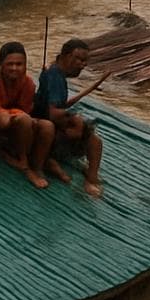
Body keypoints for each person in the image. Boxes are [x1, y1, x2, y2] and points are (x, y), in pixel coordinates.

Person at [33, 38, 112, 198]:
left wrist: (86, 92)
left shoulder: (56, 73)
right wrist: (75, 118)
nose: (83, 65)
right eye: (79, 60)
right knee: (94, 142)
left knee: (88, 134)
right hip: (46, 127)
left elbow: (59, 105)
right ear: (67, 56)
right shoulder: (54, 76)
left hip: (50, 122)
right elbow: (54, 113)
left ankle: (63, 165)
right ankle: (91, 179)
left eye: (85, 61)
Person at [0, 41, 55, 189]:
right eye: (10, 64)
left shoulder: (28, 83)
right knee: (23, 119)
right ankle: (23, 163)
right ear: (1, 65)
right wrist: (16, 115)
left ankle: (37, 166)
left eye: (19, 64)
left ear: (25, 65)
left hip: (13, 119)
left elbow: (25, 109)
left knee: (47, 126)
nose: (14, 68)